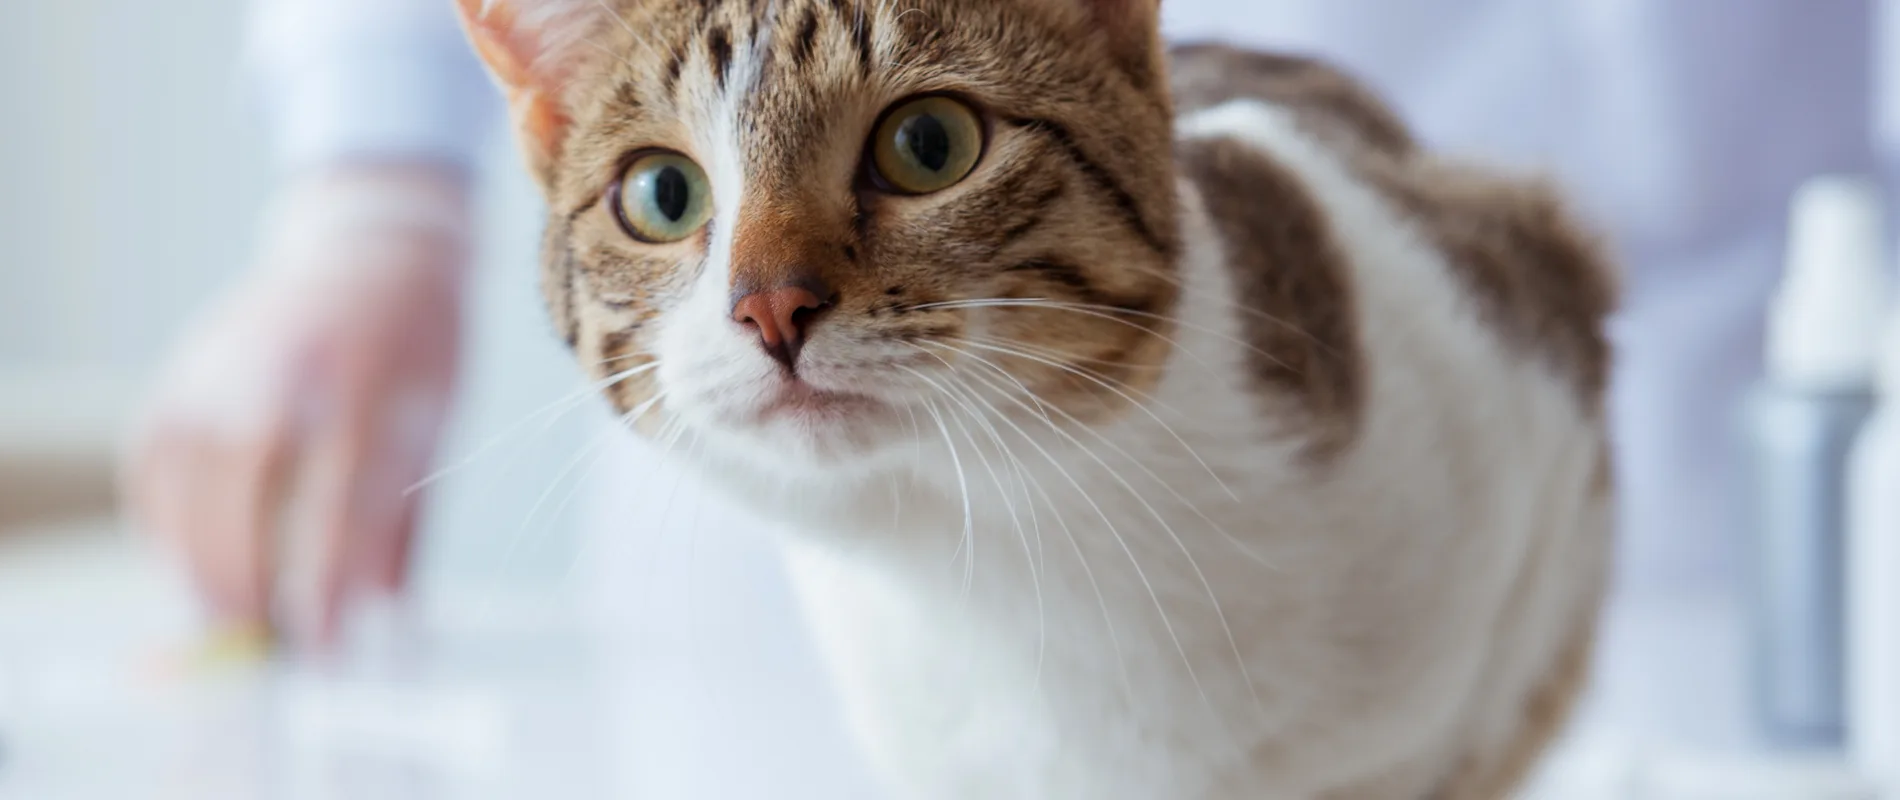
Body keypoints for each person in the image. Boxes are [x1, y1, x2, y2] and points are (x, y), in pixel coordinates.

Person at [129, 0, 1878, 750]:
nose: (777, 292)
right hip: (785, 592)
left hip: (1708, 474)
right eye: (668, 200)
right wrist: (367, 195)